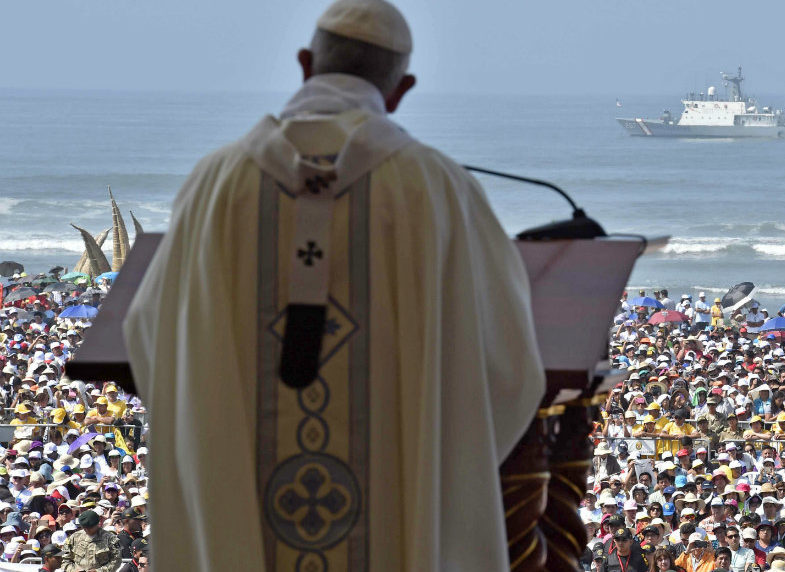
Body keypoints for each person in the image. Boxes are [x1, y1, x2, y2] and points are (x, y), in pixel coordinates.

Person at [121, 0, 546, 570]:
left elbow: (153, 335)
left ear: (304, 63)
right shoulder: (434, 188)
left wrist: (218, 419)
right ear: (401, 89)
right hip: (399, 522)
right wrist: (435, 453)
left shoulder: (217, 184)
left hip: (240, 518)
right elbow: (507, 364)